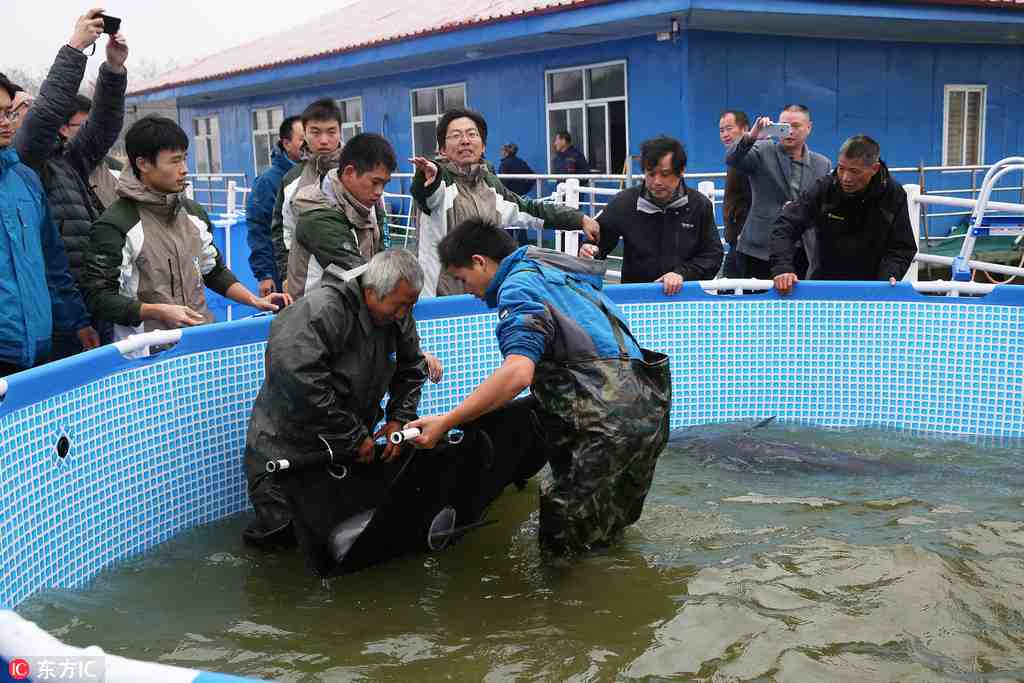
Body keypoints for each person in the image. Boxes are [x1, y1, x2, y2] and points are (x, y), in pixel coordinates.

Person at [405, 219, 671, 556]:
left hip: (604, 425)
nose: (466, 289)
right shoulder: (553, 270)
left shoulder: (518, 288)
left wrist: (447, 421)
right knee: (606, 535)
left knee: (564, 551)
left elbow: (518, 373)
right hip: (648, 409)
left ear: (479, 262)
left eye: (462, 279)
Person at [243, 249, 428, 548]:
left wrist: (400, 418)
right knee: (285, 540)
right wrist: (353, 435)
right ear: (371, 292)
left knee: (342, 537)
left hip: (344, 445)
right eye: (399, 306)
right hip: (287, 449)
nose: (403, 314)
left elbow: (412, 367)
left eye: (411, 305)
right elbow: (300, 383)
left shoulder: (398, 314)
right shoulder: (319, 311)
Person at [81, 116, 289, 347]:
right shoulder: (117, 224)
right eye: (174, 161)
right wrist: (157, 311)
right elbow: (99, 298)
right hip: (146, 352)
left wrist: (254, 300)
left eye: (185, 158)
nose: (184, 170)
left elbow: (213, 271)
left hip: (199, 344)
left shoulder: (193, 214)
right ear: (143, 164)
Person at [13, 8, 128, 356]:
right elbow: (46, 113)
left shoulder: (65, 159)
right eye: (16, 110)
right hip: (58, 311)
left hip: (91, 297)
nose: (26, 112)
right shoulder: (25, 161)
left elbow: (103, 125)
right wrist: (75, 49)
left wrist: (113, 69)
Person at [289, 132, 444, 383]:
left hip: (351, 325)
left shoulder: (369, 207)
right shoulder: (318, 216)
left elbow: (386, 278)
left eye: (385, 184)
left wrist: (410, 352)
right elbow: (376, 282)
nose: (379, 192)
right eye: (374, 182)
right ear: (349, 172)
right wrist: (412, 353)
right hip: (315, 334)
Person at [410, 107, 600, 297]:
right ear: (442, 149)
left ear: (483, 146)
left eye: (472, 134)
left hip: (486, 299)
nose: (465, 140)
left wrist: (579, 219)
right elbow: (425, 192)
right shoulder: (440, 181)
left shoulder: (491, 185)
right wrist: (428, 177)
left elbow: (530, 210)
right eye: (456, 135)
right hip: (442, 301)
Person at [0, 73, 93, 375]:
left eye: (7, 112)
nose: (5, 122)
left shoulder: (25, 179)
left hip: (37, 350)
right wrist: (74, 53)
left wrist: (77, 321)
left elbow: (52, 263)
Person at [771, 135, 918, 294]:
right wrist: (782, 268)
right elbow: (786, 226)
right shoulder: (825, 188)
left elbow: (901, 246)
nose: (846, 178)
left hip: (874, 290)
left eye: (854, 171)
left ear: (874, 169)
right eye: (841, 168)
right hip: (824, 286)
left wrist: (889, 276)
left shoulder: (893, 194)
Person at [580, 136, 722, 294]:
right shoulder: (625, 202)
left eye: (665, 174)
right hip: (637, 296)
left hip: (686, 296)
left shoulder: (699, 205)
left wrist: (682, 274)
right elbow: (598, 241)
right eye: (651, 174)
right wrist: (590, 249)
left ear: (681, 171)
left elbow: (712, 255)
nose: (657, 182)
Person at [726, 104, 831, 279]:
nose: (790, 131)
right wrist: (753, 136)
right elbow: (732, 158)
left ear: (809, 127)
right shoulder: (762, 150)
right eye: (784, 126)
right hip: (759, 249)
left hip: (803, 249)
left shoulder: (822, 164)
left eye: (795, 126)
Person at [270, 99, 343, 286]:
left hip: (355, 280)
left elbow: (378, 222)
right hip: (308, 285)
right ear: (305, 134)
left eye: (331, 132)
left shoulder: (357, 171)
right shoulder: (291, 180)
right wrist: (286, 274)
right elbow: (283, 231)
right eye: (315, 132)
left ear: (340, 132)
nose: (324, 140)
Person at [247, 115, 303, 296]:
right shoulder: (268, 182)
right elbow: (259, 229)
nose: (308, 144)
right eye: (302, 139)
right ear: (286, 144)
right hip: (282, 273)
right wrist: (265, 274)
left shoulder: (320, 175)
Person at [719, 110, 751, 278]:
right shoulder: (733, 159)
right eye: (721, 130)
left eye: (729, 128)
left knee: (731, 284)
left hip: (744, 237)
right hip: (735, 236)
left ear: (745, 129)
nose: (725, 134)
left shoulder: (748, 158)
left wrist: (742, 233)